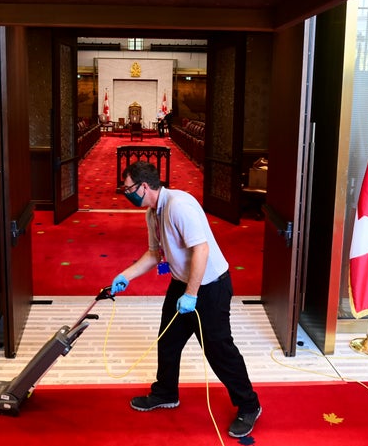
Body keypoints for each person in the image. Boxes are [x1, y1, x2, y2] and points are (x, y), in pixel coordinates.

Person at [110, 161, 262, 438]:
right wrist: (126, 275)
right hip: (182, 283)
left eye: (129, 188)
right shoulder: (152, 213)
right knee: (167, 341)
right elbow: (155, 254)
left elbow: (201, 250)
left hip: (210, 286)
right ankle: (166, 392)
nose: (126, 193)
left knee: (219, 350)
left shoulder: (179, 206)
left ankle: (249, 405)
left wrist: (191, 294)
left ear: (145, 186)